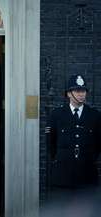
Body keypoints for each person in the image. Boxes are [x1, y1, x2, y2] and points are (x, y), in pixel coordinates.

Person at [44, 74, 101, 215]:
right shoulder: (56, 115)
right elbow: (51, 143)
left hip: (86, 177)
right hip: (63, 177)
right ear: (69, 94)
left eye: (84, 91)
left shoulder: (95, 115)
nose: (82, 94)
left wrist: (89, 159)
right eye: (77, 91)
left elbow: (98, 144)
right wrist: (60, 159)